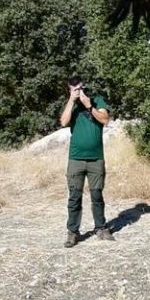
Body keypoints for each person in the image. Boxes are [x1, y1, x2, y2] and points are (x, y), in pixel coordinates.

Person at [59, 76, 114, 248]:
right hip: (76, 158)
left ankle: (101, 228)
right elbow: (63, 122)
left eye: (79, 88)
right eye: (73, 89)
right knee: (74, 196)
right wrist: (72, 100)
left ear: (85, 87)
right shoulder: (72, 105)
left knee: (97, 195)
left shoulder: (97, 100)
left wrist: (89, 105)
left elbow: (105, 120)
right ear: (69, 90)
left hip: (95, 158)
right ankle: (73, 232)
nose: (77, 91)